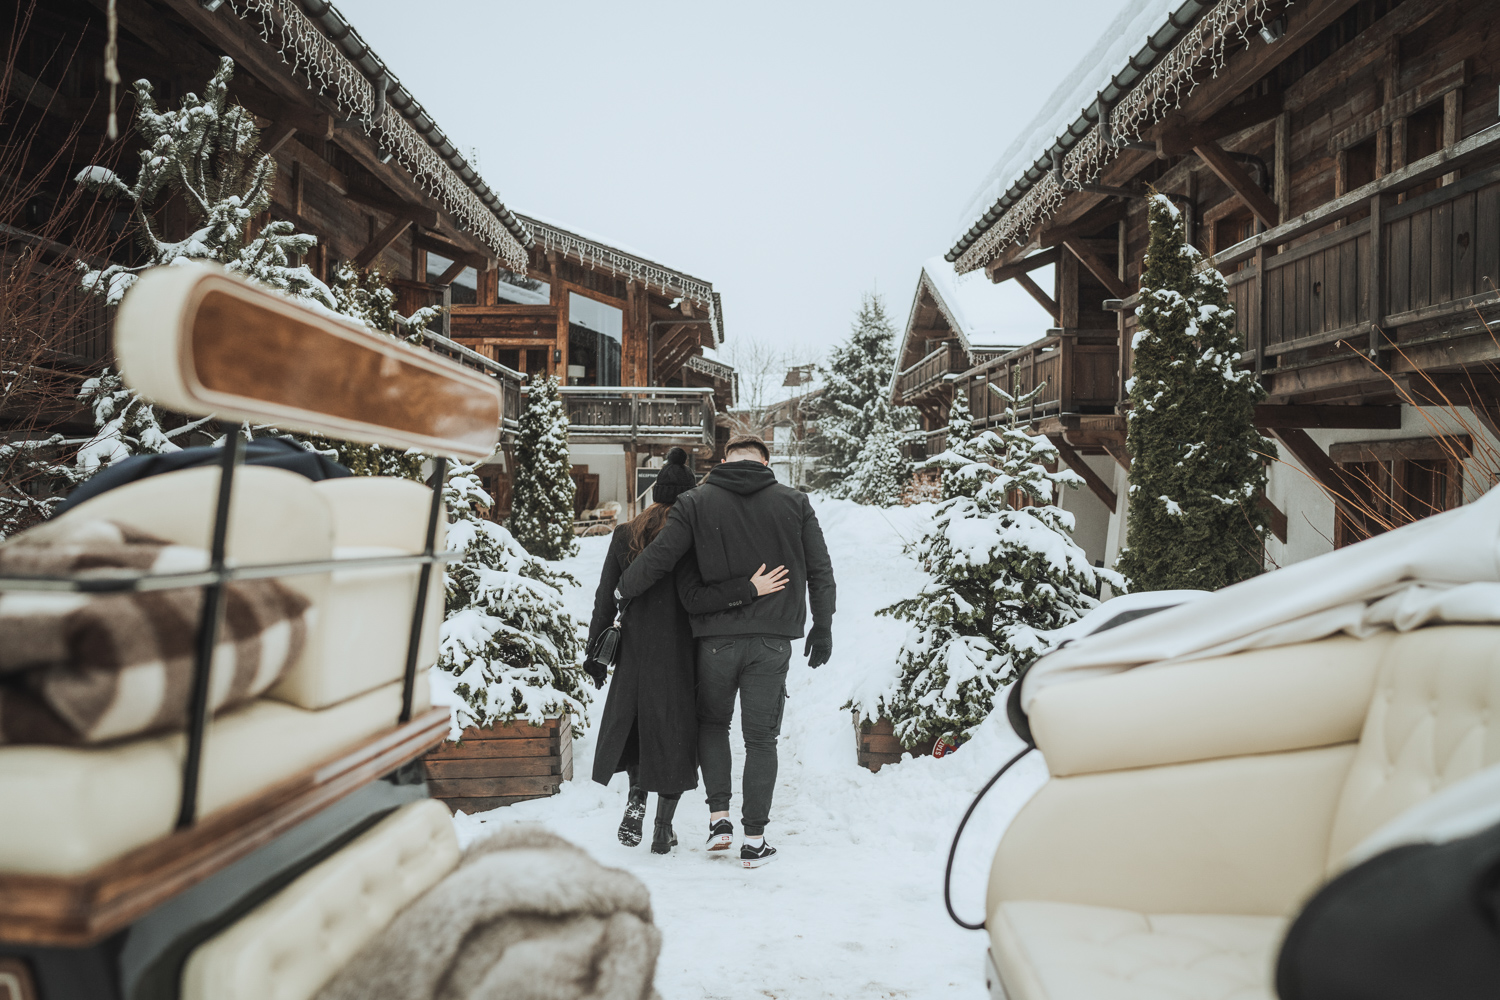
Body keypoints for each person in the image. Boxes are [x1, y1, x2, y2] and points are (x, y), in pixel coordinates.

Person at [616, 434, 835, 869]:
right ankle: (754, 840)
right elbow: (819, 569)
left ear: (724, 460)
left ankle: (719, 819)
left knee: (713, 725)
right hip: (772, 642)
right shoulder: (795, 502)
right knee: (761, 739)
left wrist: (626, 586)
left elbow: (661, 557)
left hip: (715, 642)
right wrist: (823, 626)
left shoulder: (697, 502)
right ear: (765, 461)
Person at [586, 447, 789, 855]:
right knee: (677, 737)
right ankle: (663, 828)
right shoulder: (691, 536)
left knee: (640, 729)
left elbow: (605, 598)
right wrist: (748, 589)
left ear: (655, 494)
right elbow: (697, 598)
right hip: (682, 650)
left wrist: (595, 652)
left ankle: (636, 799)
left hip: (636, 652)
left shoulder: (626, 533)